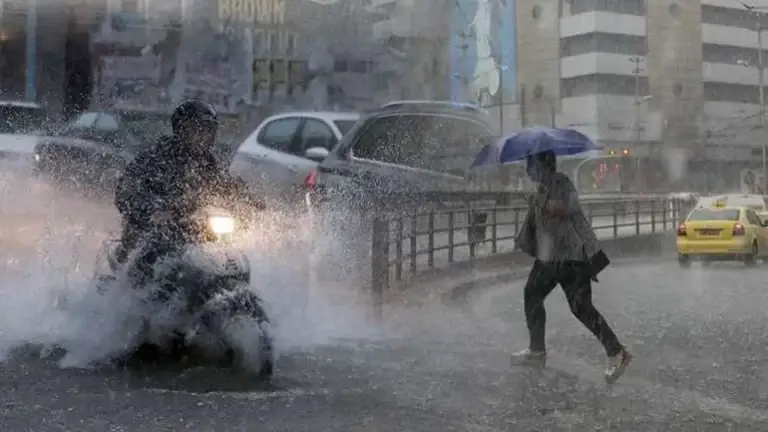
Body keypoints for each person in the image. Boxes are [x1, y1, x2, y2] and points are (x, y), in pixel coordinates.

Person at [512, 150, 632, 383]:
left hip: (570, 257)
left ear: (542, 165)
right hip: (550, 258)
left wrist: (542, 203)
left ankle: (616, 351)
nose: (527, 170)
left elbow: (568, 208)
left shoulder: (561, 182)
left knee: (580, 307)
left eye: (530, 165)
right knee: (534, 295)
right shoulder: (543, 187)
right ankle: (537, 350)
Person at [113, 99, 263, 274]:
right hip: (155, 227)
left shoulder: (209, 163)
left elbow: (226, 184)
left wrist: (248, 199)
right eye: (197, 129)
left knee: (225, 251)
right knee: (142, 251)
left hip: (194, 226)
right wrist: (152, 208)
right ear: (181, 129)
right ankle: (126, 281)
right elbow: (126, 189)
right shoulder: (154, 158)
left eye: (208, 130)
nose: (203, 136)